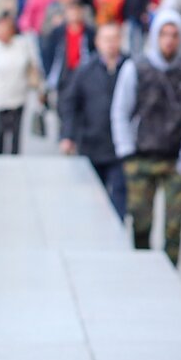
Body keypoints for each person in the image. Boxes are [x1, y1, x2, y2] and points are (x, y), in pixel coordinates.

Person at [110, 8, 181, 265]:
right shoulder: (136, 68)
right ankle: (143, 269)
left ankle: (171, 271)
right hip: (141, 156)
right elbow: (121, 110)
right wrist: (125, 150)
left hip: (176, 158)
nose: (169, 40)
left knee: (174, 225)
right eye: (164, 34)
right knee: (141, 221)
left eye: (174, 34)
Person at [59, 22, 128, 219]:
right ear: (97, 42)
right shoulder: (85, 70)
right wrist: (68, 136)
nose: (111, 44)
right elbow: (70, 104)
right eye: (106, 40)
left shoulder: (130, 67)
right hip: (91, 142)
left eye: (114, 39)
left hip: (120, 147)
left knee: (119, 198)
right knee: (92, 198)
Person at [0, 14, 42, 154]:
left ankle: (14, 161)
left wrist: (38, 88)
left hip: (18, 93)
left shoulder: (22, 45)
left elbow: (33, 67)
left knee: (15, 133)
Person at [42, 0, 95, 102]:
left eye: (77, 11)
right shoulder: (58, 32)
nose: (74, 14)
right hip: (64, 74)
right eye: (71, 11)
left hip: (82, 73)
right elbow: (48, 53)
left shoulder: (89, 32)